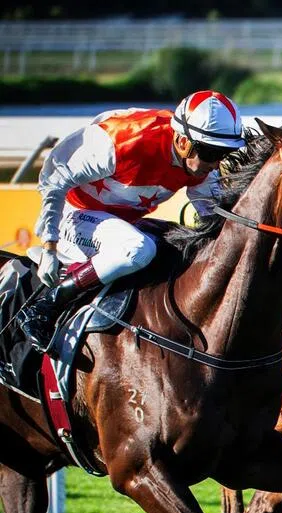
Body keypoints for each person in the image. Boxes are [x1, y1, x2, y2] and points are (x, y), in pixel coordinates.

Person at [15, 90, 245, 353]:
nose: (216, 164)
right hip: (73, 214)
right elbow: (54, 177)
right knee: (137, 248)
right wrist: (49, 245)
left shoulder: (199, 163)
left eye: (224, 153)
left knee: (179, 245)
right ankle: (47, 305)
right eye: (211, 153)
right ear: (183, 141)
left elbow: (216, 222)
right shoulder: (125, 139)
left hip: (118, 223)